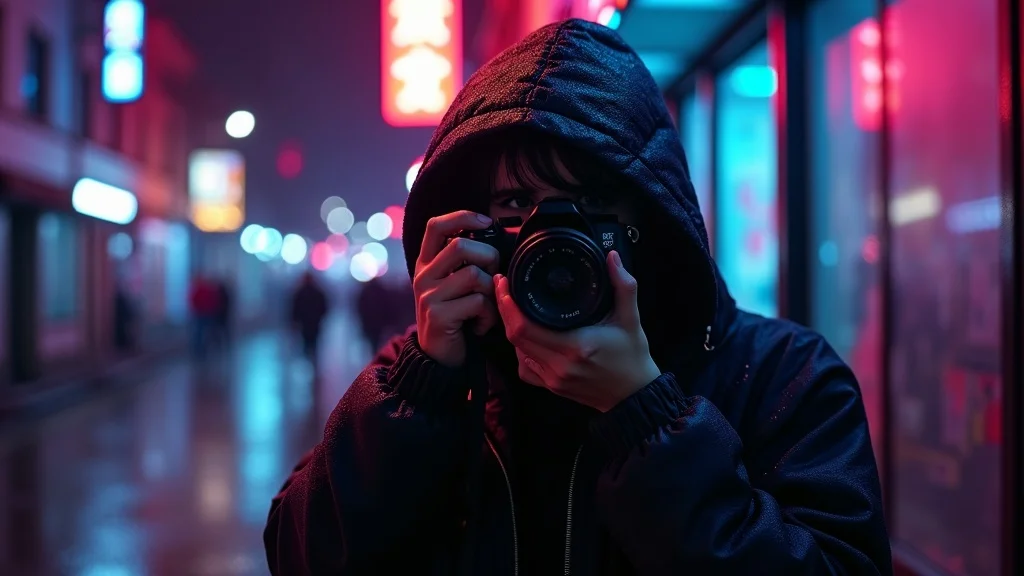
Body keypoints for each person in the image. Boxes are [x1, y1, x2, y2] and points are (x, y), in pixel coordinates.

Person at [264, 19, 891, 575]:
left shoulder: (784, 376)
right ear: (469, 226)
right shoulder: (430, 372)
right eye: (516, 206)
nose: (552, 240)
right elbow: (303, 554)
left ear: (648, 221)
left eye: (588, 207)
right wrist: (423, 388)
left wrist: (643, 415)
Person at [289, 271, 329, 364]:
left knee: (306, 340)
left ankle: (308, 357)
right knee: (314, 341)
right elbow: (323, 307)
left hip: (305, 322)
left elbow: (295, 308)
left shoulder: (300, 292)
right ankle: (312, 358)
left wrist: (294, 321)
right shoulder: (318, 292)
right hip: (315, 322)